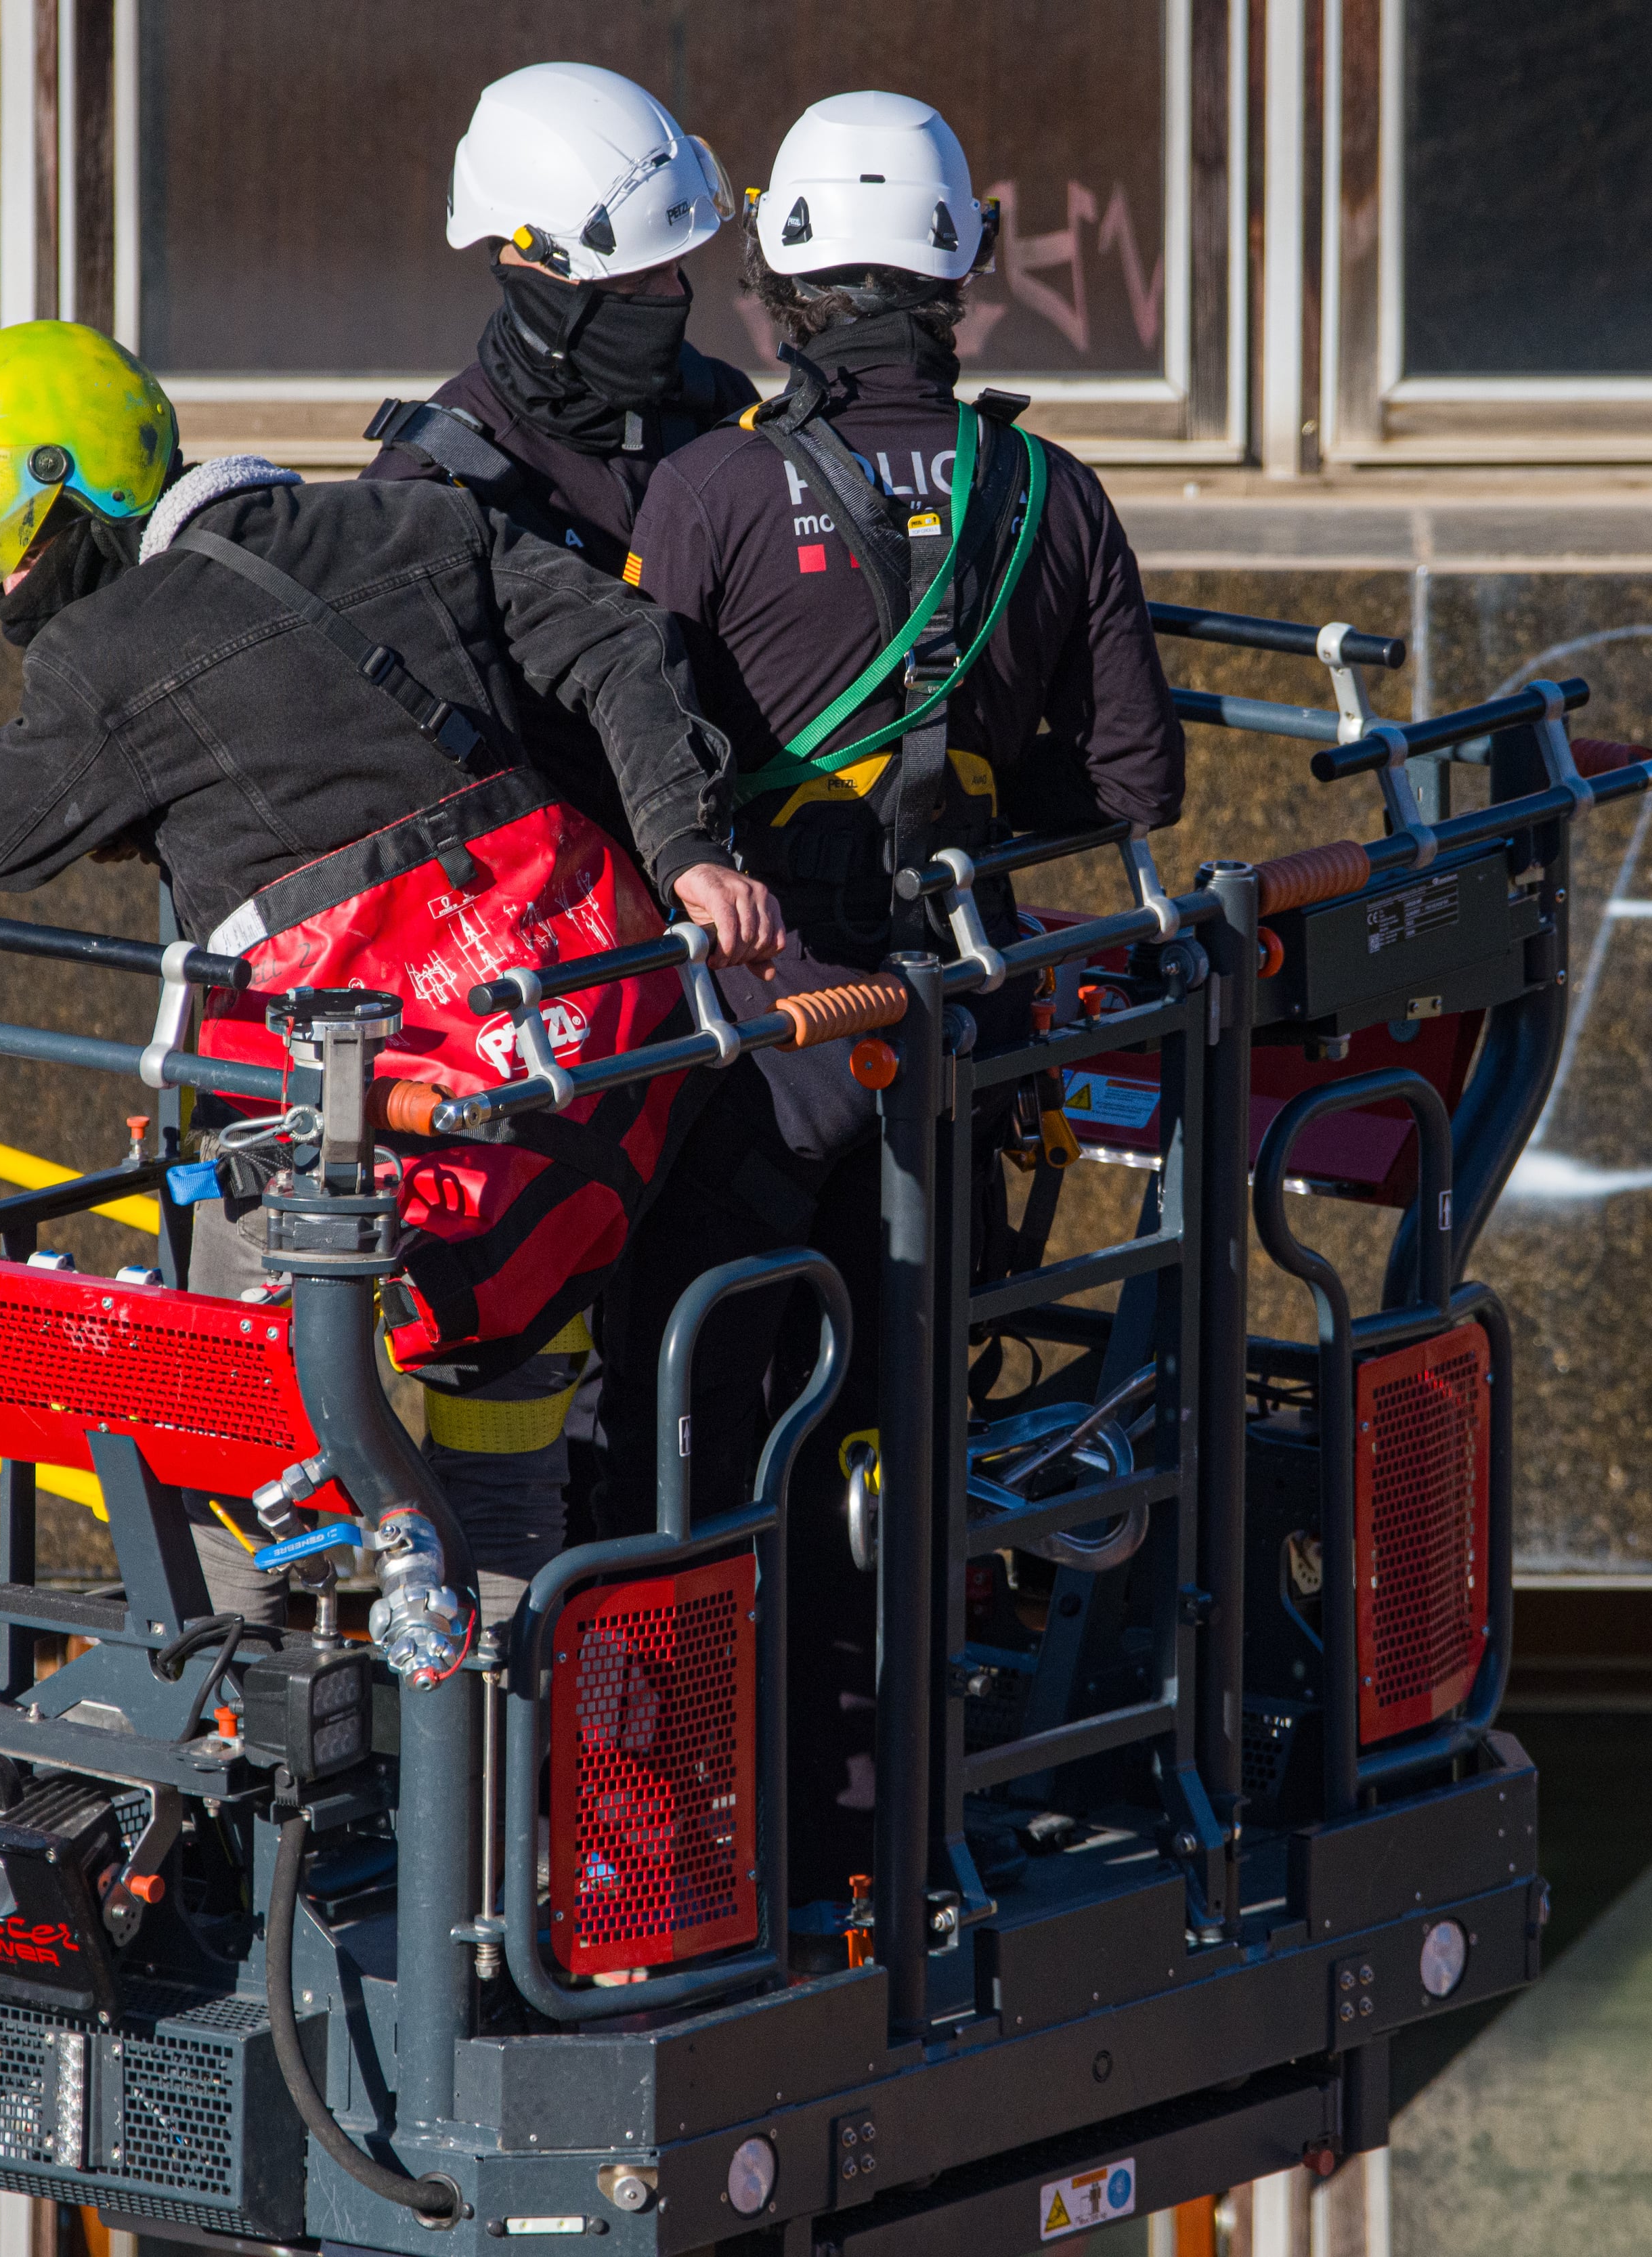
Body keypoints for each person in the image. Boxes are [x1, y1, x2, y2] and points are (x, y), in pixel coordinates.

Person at [0, 318, 781, 1625]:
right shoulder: (415, 524)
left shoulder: (103, 653)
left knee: (241, 1463)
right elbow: (624, 645)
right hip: (550, 1063)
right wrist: (690, 851)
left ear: (75, 500)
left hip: (321, 1116)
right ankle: (484, 1795)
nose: (7, 592)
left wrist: (146, 795)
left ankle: (249, 1773)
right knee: (507, 1487)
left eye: (12, 553)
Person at [605, 89, 1185, 1893]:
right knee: (900, 1433)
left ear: (780, 282)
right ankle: (884, 1829)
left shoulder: (702, 492)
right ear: (959, 277)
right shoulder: (1051, 495)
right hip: (961, 1050)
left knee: (689, 1431)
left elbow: (635, 750)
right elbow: (1140, 786)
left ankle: (694, 1824)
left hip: (771, 1051)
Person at [360, 60, 761, 1521]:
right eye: (638, 280)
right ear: (529, 270)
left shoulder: (713, 415)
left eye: (682, 274)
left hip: (733, 952)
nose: (671, 304)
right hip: (564, 1006)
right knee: (564, 1414)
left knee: (733, 1367)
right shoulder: (437, 486)